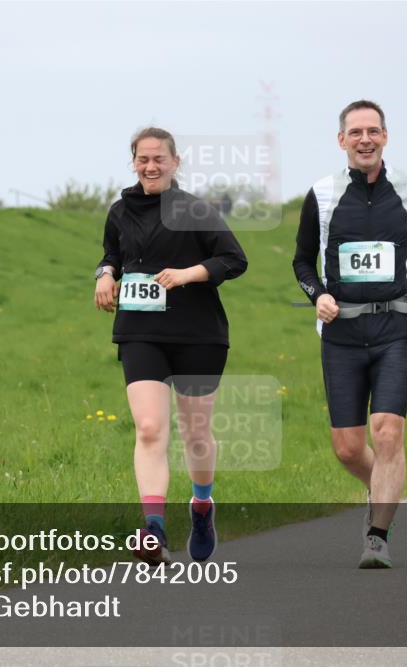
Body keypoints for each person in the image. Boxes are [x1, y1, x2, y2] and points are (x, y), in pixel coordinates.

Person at [293, 100, 407, 568]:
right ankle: (381, 488)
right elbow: (301, 259)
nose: (365, 139)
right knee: (346, 447)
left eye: (373, 131)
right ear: (341, 140)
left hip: (395, 329)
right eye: (356, 132)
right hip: (341, 331)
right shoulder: (320, 194)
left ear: (385, 136)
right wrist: (315, 293)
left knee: (387, 433)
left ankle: (378, 535)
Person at [95, 127, 247, 565]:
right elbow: (112, 255)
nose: (151, 166)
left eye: (159, 158)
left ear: (176, 162)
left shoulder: (196, 210)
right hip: (141, 332)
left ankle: (201, 507)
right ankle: (154, 529)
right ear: (134, 163)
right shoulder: (120, 211)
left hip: (198, 334)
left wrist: (186, 274)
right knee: (148, 429)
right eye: (143, 159)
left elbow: (234, 260)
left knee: (196, 434)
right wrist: (104, 274)